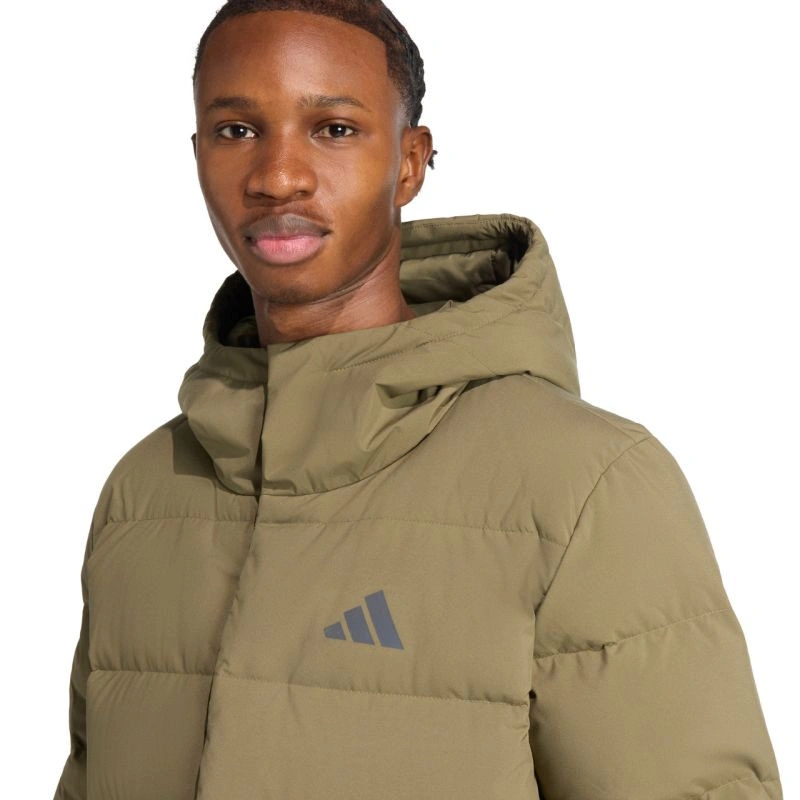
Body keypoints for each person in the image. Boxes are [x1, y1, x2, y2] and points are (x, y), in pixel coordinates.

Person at [53, 1, 783, 798]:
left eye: (334, 129)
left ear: (409, 162)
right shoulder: (145, 492)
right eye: (236, 130)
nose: (276, 176)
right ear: (197, 154)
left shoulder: (582, 484)